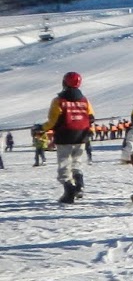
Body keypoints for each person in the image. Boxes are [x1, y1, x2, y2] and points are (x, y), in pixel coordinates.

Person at [45, 72, 95, 204]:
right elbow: (91, 117)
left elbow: (52, 122)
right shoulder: (84, 100)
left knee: (64, 166)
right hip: (81, 136)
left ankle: (69, 191)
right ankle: (79, 186)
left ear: (64, 82)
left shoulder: (59, 101)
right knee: (76, 163)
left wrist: (41, 128)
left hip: (64, 137)